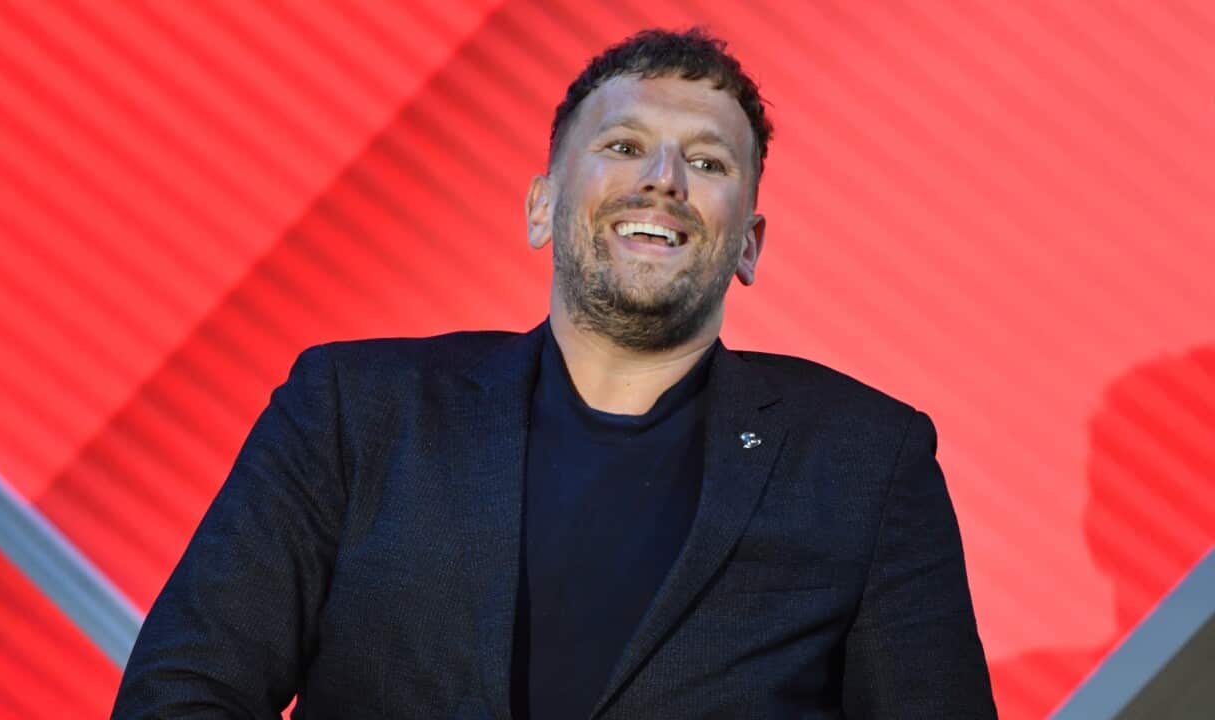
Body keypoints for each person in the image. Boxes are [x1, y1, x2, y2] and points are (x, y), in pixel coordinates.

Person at [112, 27, 996, 719]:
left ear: (750, 246)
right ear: (542, 205)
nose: (664, 180)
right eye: (623, 146)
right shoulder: (354, 411)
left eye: (708, 161)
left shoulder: (866, 462)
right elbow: (184, 694)